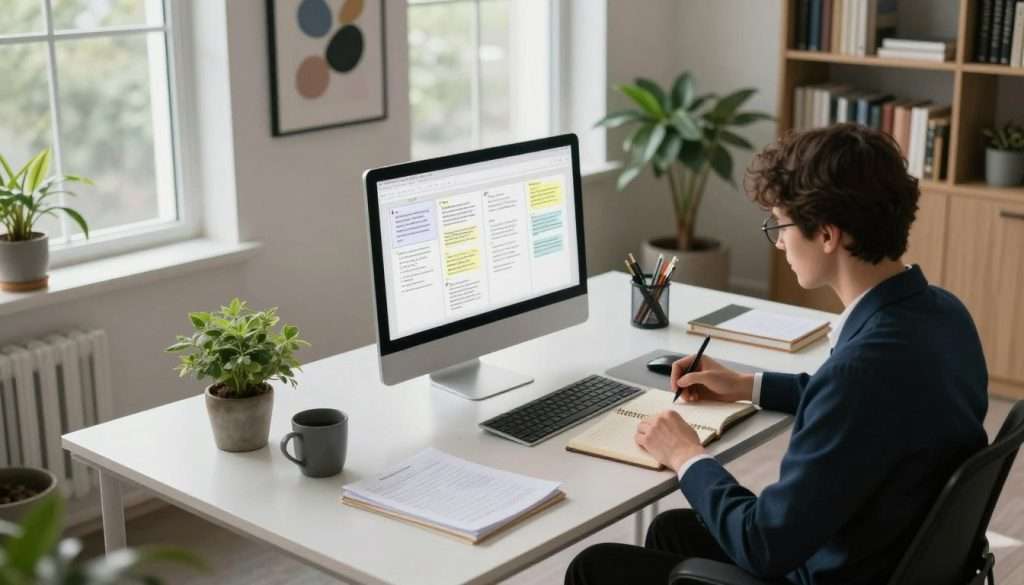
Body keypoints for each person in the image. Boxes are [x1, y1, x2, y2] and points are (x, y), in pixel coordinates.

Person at [565, 123, 989, 585]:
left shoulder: (857, 373)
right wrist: (748, 385)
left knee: (595, 568)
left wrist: (686, 455)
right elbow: (870, 408)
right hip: (887, 553)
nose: (781, 241)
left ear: (827, 235)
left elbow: (763, 545)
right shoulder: (944, 315)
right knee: (674, 529)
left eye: (780, 225)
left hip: (829, 569)